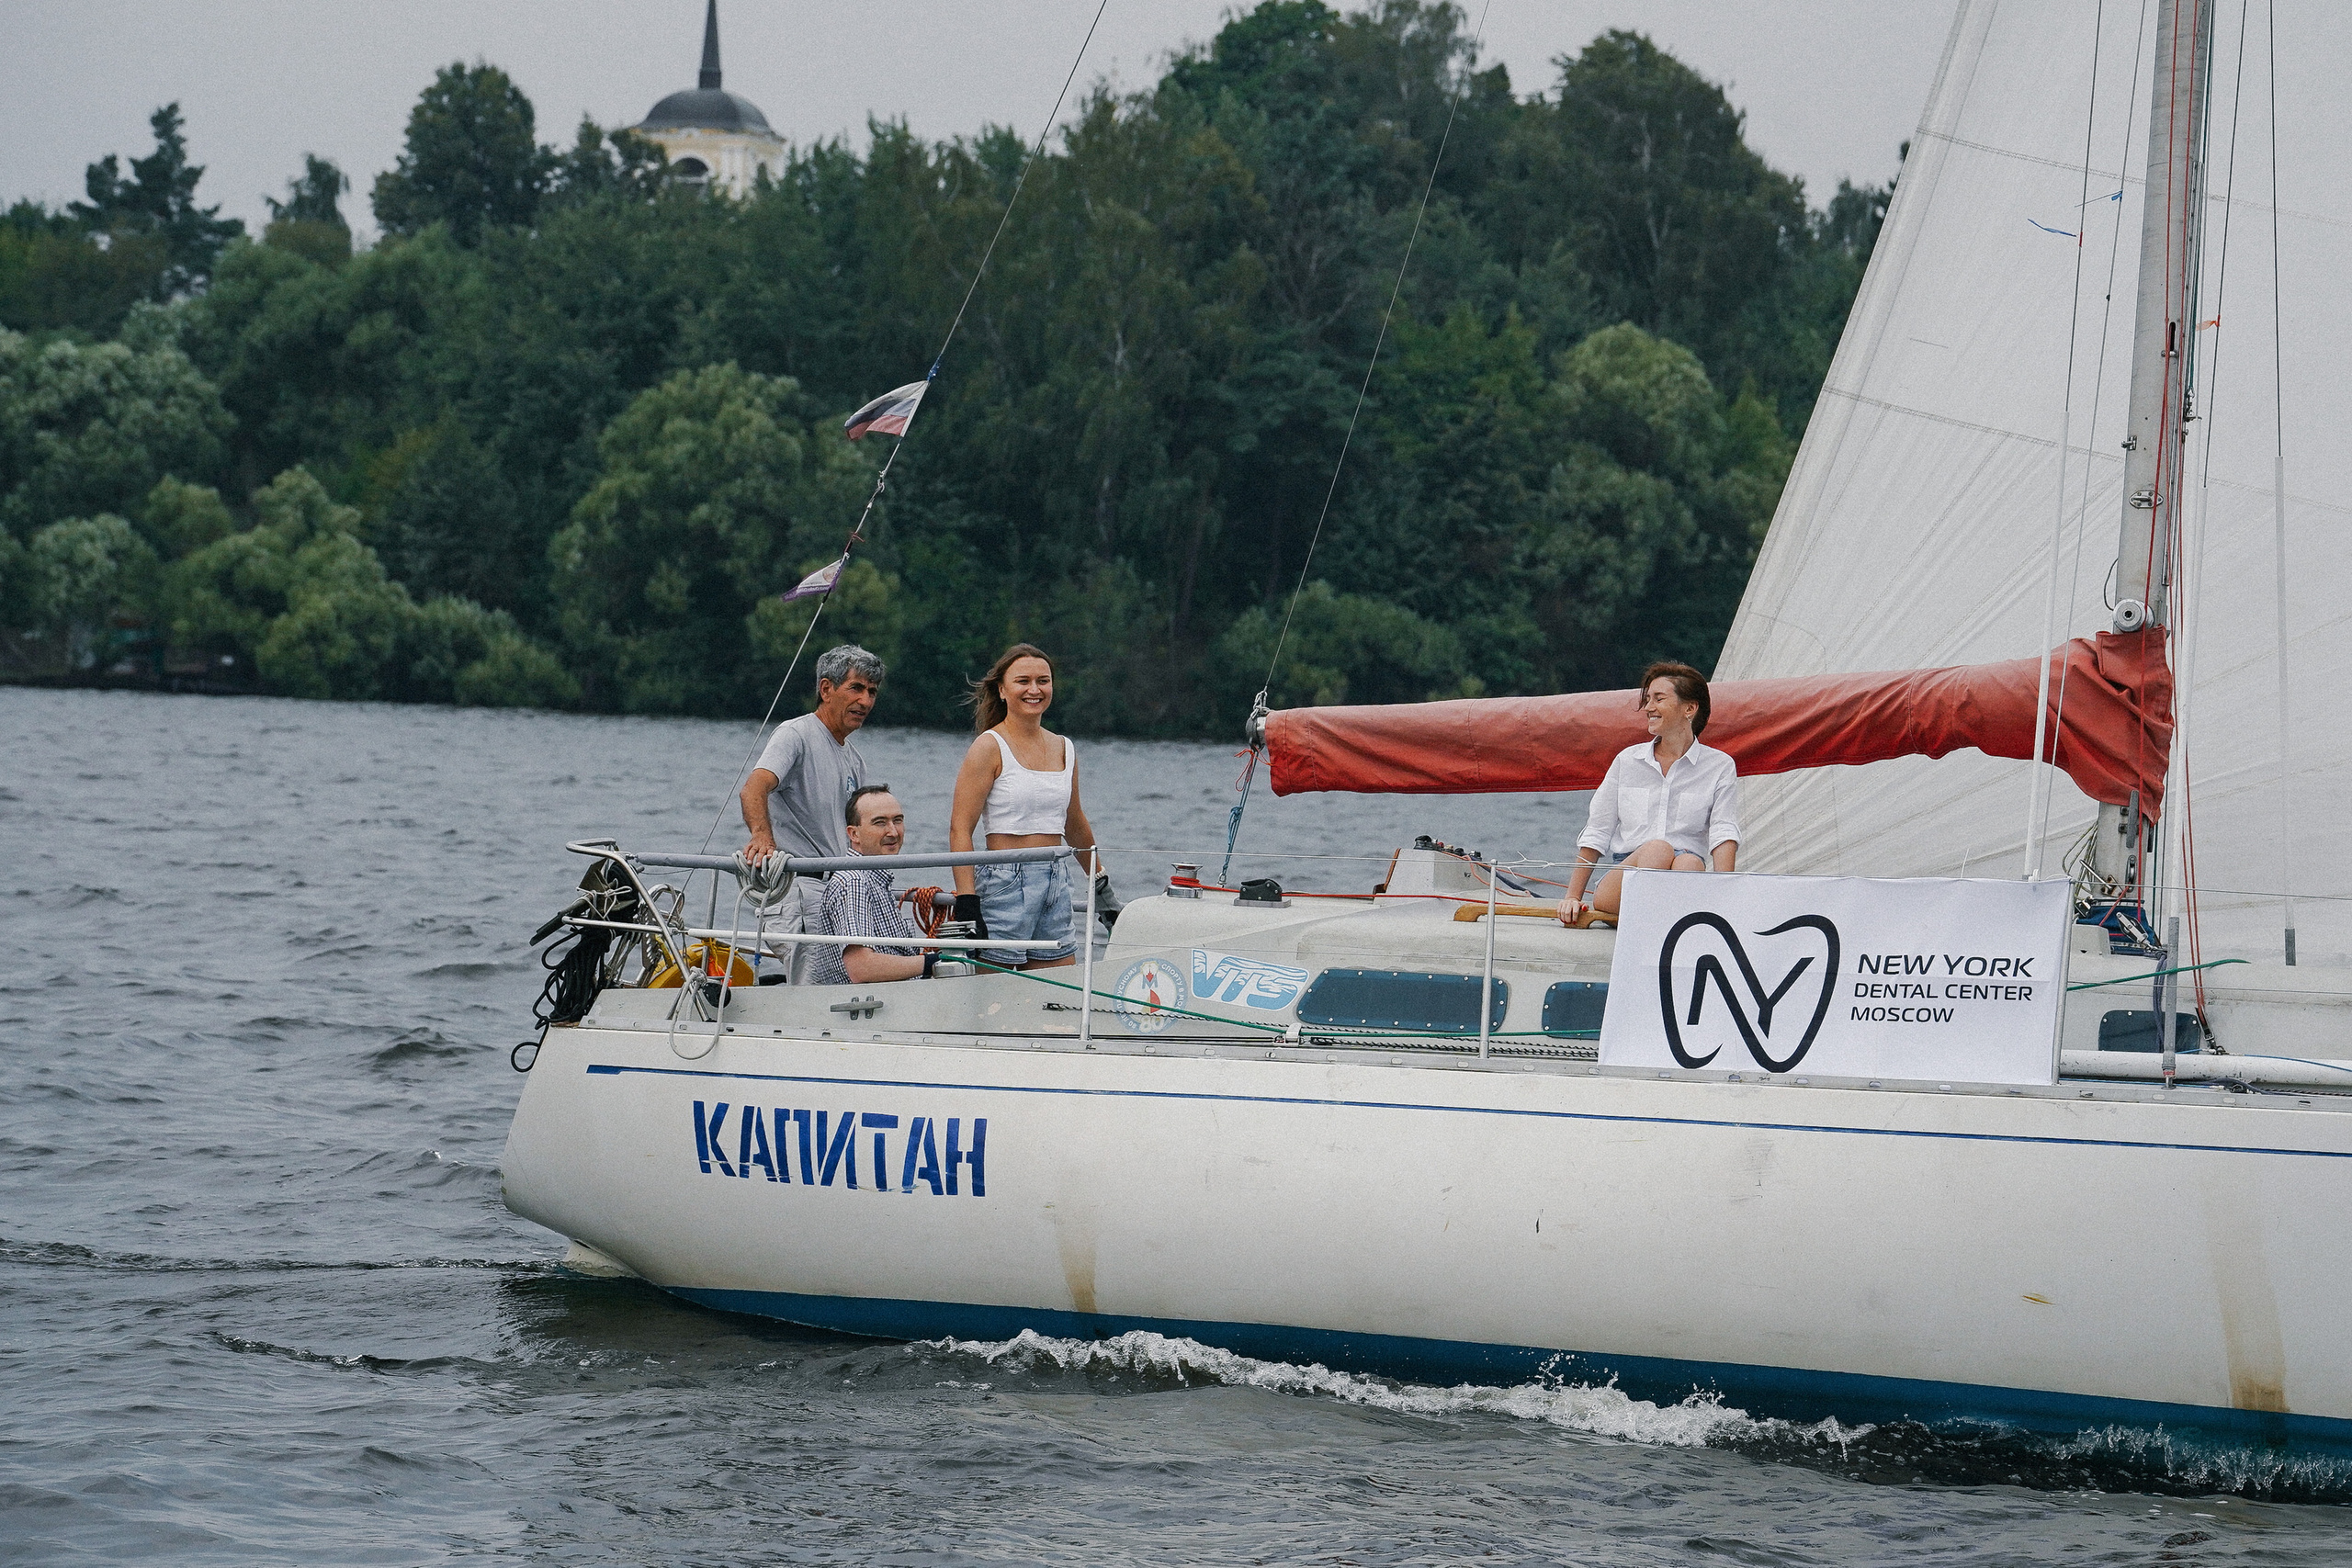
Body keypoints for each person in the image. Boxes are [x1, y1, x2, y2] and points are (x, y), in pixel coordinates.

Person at [947, 643, 1101, 971]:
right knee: (994, 991)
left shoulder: (1065, 747)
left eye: (1043, 681)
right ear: (1002, 690)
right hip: (1004, 882)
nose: (1034, 690)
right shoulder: (989, 746)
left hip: (1056, 881)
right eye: (1023, 681)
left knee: (1058, 993)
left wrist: (1100, 884)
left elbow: (1074, 823)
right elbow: (960, 828)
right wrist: (967, 899)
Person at [1555, 661, 1739, 928]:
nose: (1648, 707)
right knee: (1658, 850)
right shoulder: (1627, 761)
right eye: (1648, 699)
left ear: (1689, 708)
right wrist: (1572, 897)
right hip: (1623, 881)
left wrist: (1728, 901)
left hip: (1683, 874)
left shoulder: (1720, 766)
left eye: (1658, 699)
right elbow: (1598, 830)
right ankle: (1666, 925)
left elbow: (1723, 833)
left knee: (1689, 862)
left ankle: (1658, 929)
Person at [738, 645, 883, 981]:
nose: (865, 701)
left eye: (872, 691)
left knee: (843, 985)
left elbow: (855, 834)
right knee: (814, 990)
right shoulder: (796, 735)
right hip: (799, 890)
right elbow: (753, 789)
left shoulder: (855, 760)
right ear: (826, 689)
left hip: (838, 889)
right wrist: (762, 837)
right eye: (856, 688)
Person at [808, 786, 946, 985]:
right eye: (880, 823)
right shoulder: (853, 882)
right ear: (854, 834)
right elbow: (861, 968)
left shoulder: (872, 880)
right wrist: (934, 962)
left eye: (897, 820)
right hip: (870, 1001)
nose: (893, 832)